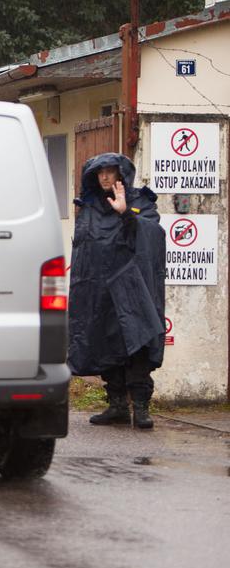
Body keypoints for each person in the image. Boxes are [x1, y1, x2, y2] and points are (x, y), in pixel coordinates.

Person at [68, 152, 166, 429]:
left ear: (121, 173)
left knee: (138, 343)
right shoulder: (89, 207)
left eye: (109, 171)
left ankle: (142, 408)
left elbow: (153, 235)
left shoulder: (140, 202)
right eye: (99, 173)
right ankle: (117, 405)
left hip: (134, 288)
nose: (104, 177)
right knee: (105, 344)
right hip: (99, 289)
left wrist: (126, 214)